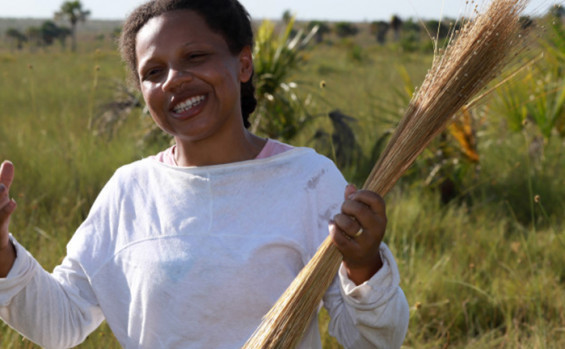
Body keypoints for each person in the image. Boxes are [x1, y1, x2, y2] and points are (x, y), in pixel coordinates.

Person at [0, 0, 409, 347]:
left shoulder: (308, 179)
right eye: (153, 72)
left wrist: (364, 264)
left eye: (195, 57)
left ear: (244, 64)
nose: (174, 80)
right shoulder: (130, 190)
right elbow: (61, 321)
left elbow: (375, 339)